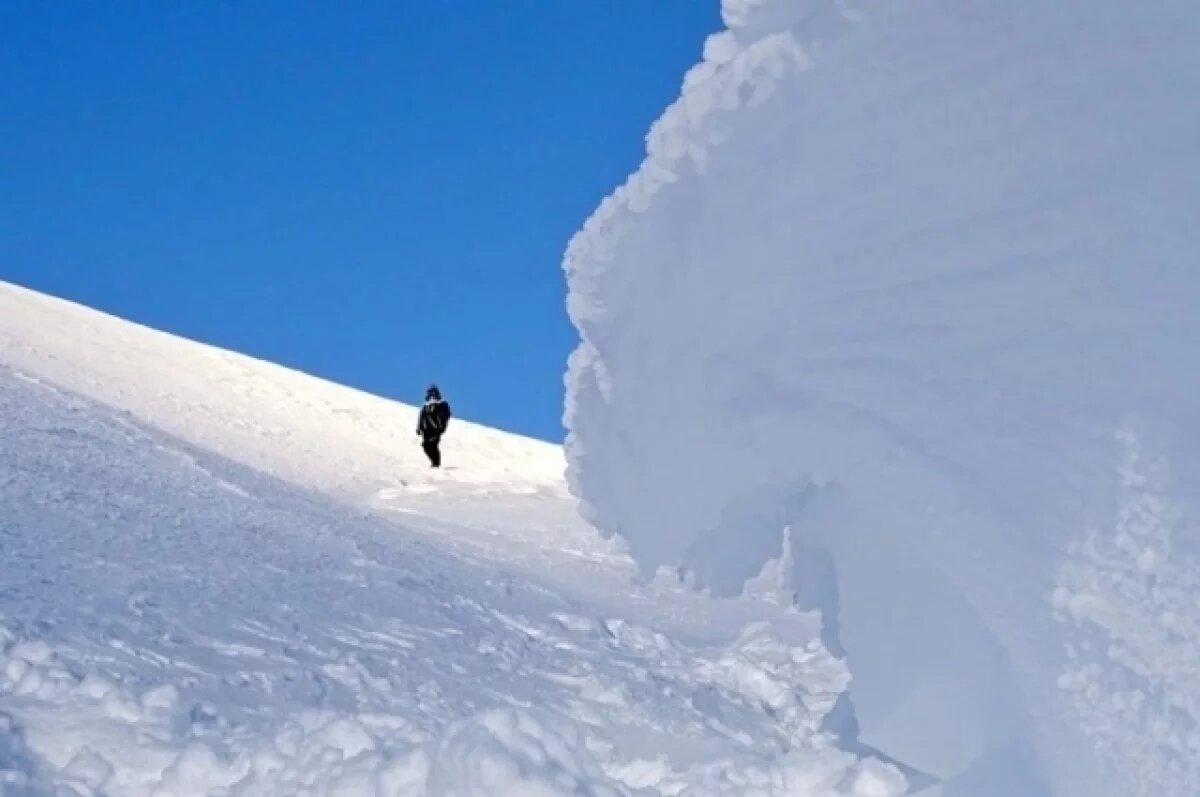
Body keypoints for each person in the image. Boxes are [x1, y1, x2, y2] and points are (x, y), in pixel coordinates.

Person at [416, 384, 452, 468]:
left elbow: (446, 415)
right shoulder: (425, 406)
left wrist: (441, 425)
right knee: (426, 446)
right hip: (426, 430)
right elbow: (421, 417)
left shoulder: (442, 404)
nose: (431, 395)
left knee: (433, 445)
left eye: (433, 393)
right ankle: (434, 462)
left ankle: (436, 463)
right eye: (430, 393)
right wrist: (419, 427)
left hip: (436, 429)